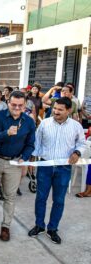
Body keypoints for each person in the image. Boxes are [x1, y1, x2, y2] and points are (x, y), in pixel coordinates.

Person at [28, 97, 86, 244]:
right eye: (54, 108)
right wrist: (32, 161)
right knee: (41, 198)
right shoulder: (45, 124)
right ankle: (39, 225)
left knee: (58, 200)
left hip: (64, 168)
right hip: (45, 167)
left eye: (60, 109)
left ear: (68, 110)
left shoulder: (76, 126)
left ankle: (52, 228)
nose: (56, 111)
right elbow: (37, 143)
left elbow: (81, 143)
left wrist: (77, 153)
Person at [0, 91, 36, 242]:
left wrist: (24, 158)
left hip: (15, 163)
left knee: (10, 196)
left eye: (20, 105)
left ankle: (6, 226)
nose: (17, 108)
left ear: (25, 105)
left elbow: (31, 144)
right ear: (8, 102)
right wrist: (7, 133)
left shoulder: (29, 122)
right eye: (14, 105)